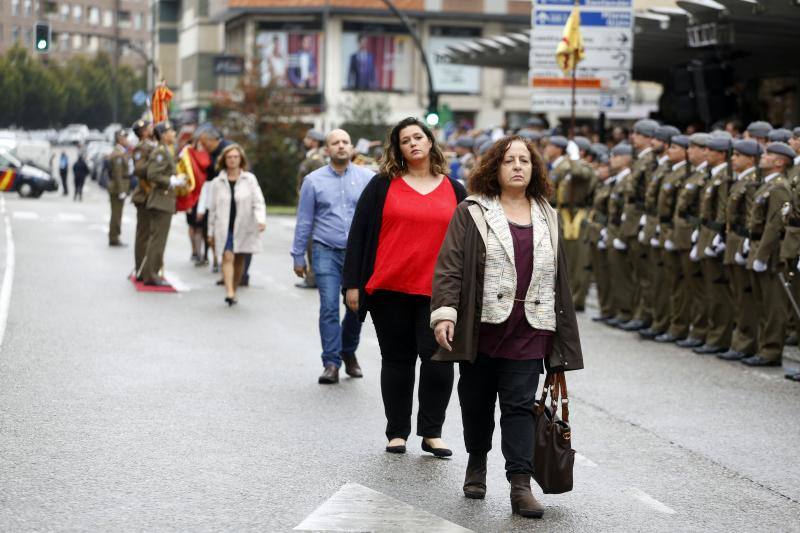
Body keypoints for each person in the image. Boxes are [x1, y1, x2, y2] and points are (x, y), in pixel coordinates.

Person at [430, 135, 583, 519]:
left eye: (525, 161)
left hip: (532, 327)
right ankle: (477, 462)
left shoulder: (546, 212)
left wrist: (561, 333)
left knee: (518, 406)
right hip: (482, 327)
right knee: (476, 402)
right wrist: (445, 312)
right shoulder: (473, 210)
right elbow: (450, 265)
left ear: (534, 170)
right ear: (494, 168)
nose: (518, 166)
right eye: (509, 160)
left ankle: (520, 484)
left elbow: (557, 276)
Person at [342, 117, 467, 456]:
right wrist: (352, 284)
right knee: (397, 361)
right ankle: (396, 431)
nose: (412, 143)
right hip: (389, 288)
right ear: (397, 149)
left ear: (430, 142)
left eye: (418, 137)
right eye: (404, 140)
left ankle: (432, 432)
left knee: (438, 362)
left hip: (438, 294)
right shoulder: (383, 185)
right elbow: (359, 233)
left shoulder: (455, 189)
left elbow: (469, 243)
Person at [292, 129, 374, 384]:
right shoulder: (313, 181)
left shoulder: (367, 179)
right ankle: (331, 362)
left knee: (356, 307)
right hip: (325, 250)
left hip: (357, 254)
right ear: (327, 150)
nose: (341, 146)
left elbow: (376, 219)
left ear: (351, 148)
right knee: (328, 306)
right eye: (335, 143)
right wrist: (297, 256)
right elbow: (305, 220)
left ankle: (348, 351)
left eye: (345, 142)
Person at [742, 142, 795, 367]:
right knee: (762, 302)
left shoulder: (779, 187)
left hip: (771, 254)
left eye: (768, 155)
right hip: (758, 248)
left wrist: (762, 256)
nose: (762, 157)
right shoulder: (767, 186)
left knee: (774, 306)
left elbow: (774, 226)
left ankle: (771, 351)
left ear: (779, 162)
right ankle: (764, 347)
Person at [717, 139, 763, 361]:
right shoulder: (741, 180)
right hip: (733, 239)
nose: (733, 159)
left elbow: (752, 216)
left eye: (738, 155)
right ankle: (739, 341)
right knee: (738, 295)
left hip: (743, 241)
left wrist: (746, 241)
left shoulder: (753, 182)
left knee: (746, 297)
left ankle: (745, 343)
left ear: (751, 159)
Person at [207, 144, 266, 306]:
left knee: (240, 258)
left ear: (241, 160)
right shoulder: (217, 182)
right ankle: (229, 292)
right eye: (229, 157)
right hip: (224, 227)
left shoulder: (249, 179)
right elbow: (212, 209)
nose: (232, 160)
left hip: (244, 225)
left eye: (236, 157)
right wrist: (210, 232)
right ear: (224, 160)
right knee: (227, 256)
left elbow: (258, 201)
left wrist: (261, 219)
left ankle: (233, 288)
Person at [616, 119, 660, 332]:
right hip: (632, 219)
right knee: (635, 271)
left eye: (638, 133)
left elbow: (649, 194)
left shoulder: (650, 160)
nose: (633, 137)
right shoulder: (640, 159)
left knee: (645, 274)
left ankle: (645, 315)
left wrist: (647, 219)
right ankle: (637, 312)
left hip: (640, 218)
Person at [693, 135, 734, 354]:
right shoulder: (713, 176)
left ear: (720, 154)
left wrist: (718, 236)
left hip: (716, 238)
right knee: (709, 290)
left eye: (710, 150)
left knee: (719, 293)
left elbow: (723, 211)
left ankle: (719, 337)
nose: (705, 153)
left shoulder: (725, 178)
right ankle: (711, 334)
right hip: (706, 235)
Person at [639, 125, 680, 339]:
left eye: (658, 140)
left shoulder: (670, 168)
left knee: (665, 280)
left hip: (667, 228)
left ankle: (664, 323)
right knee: (653, 278)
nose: (652, 143)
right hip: (655, 225)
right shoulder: (659, 166)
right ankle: (655, 319)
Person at [671, 133, 711, 348]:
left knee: (698, 288)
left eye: (695, 147)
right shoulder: (694, 173)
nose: (690, 151)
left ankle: (700, 331)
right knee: (685, 285)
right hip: (683, 235)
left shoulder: (706, 175)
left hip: (695, 235)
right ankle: (690, 329)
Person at [654, 134, 693, 344]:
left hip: (684, 234)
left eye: (676, 147)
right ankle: (674, 325)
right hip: (669, 231)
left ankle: (686, 328)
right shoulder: (673, 171)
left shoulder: (689, 174)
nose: (670, 150)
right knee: (672, 283)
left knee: (685, 285)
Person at [140, 122, 182, 286]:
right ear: (163, 134)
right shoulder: (161, 152)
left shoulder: (166, 151)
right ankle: (151, 275)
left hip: (164, 200)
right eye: (171, 131)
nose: (174, 133)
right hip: (161, 200)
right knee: (158, 240)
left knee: (157, 239)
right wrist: (171, 181)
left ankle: (150, 272)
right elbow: (152, 174)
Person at [606, 143, 635, 326]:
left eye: (615, 156)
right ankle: (620, 310)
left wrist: (622, 235)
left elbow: (628, 210)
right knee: (616, 273)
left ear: (626, 159)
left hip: (622, 231)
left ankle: (627, 312)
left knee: (624, 275)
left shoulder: (628, 179)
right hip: (613, 230)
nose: (611, 160)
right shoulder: (618, 179)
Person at [197, 126, 233, 277]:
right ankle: (219, 262)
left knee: (228, 235)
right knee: (212, 231)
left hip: (229, 197)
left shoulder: (228, 150)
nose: (204, 147)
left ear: (213, 140)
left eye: (205, 143)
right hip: (214, 194)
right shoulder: (211, 153)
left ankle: (231, 268)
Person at [295, 129, 327, 289]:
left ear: (314, 141)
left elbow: (316, 185)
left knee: (311, 243)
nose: (305, 140)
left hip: (313, 207)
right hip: (307, 205)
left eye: (308, 138)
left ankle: (313, 277)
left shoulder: (316, 160)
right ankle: (312, 276)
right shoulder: (311, 157)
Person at [131, 120, 156, 278]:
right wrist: (155, 167)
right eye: (149, 128)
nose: (152, 129)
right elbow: (139, 169)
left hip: (151, 194)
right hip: (144, 195)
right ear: (143, 132)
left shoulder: (151, 145)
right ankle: (140, 268)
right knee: (143, 235)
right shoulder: (142, 147)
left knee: (150, 234)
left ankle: (147, 266)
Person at [108, 131, 131, 246]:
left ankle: (115, 236)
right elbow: (118, 173)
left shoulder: (121, 152)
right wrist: (121, 190)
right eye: (125, 138)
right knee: (116, 214)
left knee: (117, 213)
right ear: (119, 139)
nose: (127, 140)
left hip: (119, 187)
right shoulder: (118, 154)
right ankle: (114, 237)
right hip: (117, 188)